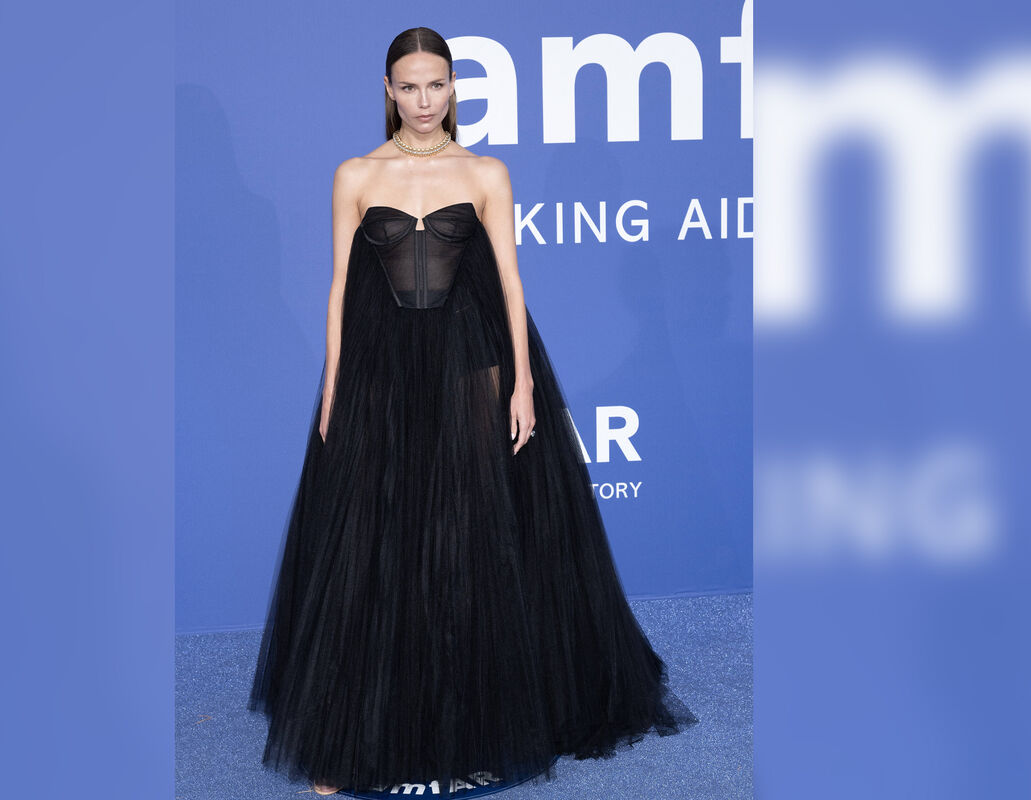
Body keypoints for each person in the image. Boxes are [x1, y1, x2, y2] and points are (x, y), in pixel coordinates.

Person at [248, 26, 698, 797]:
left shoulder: (486, 172)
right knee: (377, 542)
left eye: (436, 85)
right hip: (383, 372)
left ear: (454, 87)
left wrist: (523, 385)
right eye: (409, 86)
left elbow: (512, 284)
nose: (424, 100)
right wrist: (333, 387)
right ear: (388, 90)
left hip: (472, 363)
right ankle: (352, 739)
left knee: (464, 541)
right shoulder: (355, 174)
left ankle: (471, 731)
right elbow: (339, 289)